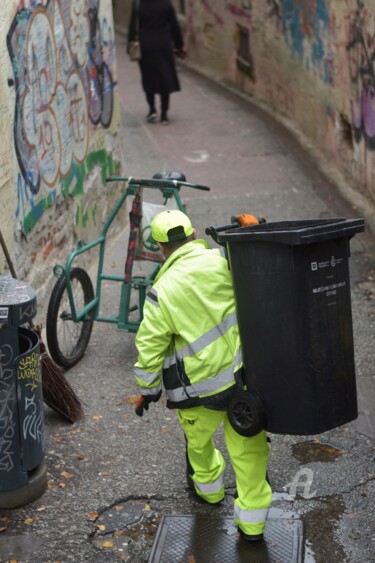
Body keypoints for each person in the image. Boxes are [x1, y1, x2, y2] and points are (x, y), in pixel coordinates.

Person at [133, 209, 272, 542]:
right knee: (249, 451)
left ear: (161, 248)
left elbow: (149, 346)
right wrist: (252, 235)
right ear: (194, 235)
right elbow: (260, 275)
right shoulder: (223, 262)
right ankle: (252, 526)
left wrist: (147, 390)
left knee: (198, 446)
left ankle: (209, 494)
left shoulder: (161, 291)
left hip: (197, 392)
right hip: (244, 383)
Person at [127, 0, 186, 125]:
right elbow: (174, 25)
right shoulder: (166, 3)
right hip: (163, 44)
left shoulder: (138, 3)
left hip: (145, 44)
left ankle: (152, 110)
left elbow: (133, 25)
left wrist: (130, 44)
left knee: (148, 76)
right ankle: (164, 113)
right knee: (165, 77)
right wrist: (179, 44)